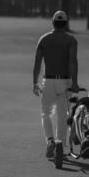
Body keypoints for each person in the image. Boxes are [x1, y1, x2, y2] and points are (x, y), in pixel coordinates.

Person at [32, 10, 79, 158]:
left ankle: (50, 141)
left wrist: (35, 82)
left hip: (48, 80)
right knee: (63, 115)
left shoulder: (44, 39)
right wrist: (75, 82)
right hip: (65, 81)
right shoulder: (71, 40)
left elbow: (37, 63)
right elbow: (72, 62)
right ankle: (60, 145)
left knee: (46, 113)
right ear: (65, 24)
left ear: (53, 23)